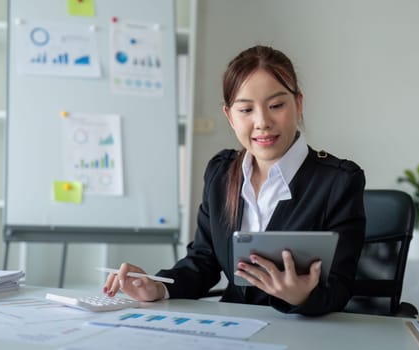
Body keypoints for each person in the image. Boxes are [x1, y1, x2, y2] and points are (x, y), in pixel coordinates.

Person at [103, 45, 366, 316]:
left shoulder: (339, 181)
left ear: (298, 104)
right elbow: (202, 262)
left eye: (276, 105)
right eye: (246, 110)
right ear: (230, 116)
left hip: (304, 333)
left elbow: (341, 287)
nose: (262, 121)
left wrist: (301, 296)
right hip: (234, 328)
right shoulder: (221, 173)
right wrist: (157, 287)